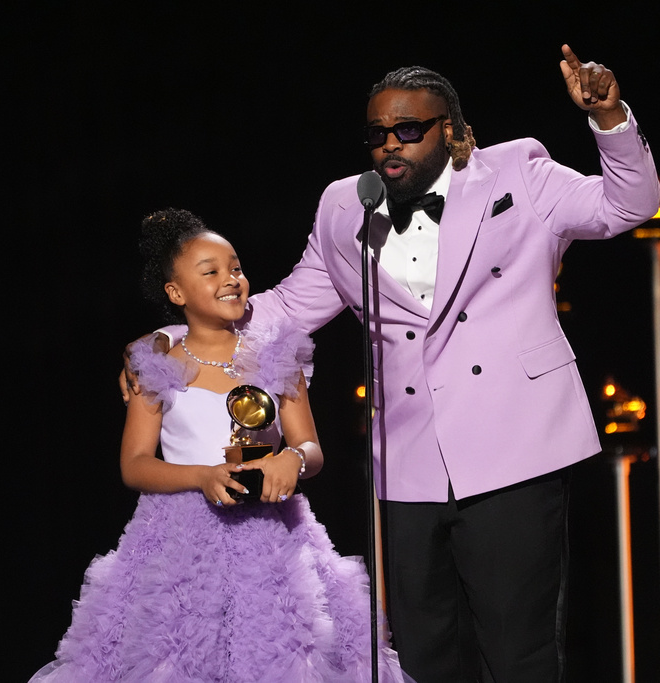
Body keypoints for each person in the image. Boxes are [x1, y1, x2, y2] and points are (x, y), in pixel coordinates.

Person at [125, 45, 659, 682]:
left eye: (408, 129)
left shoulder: (519, 172)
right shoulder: (345, 206)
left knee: (517, 653)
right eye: (377, 134)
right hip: (408, 461)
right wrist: (168, 340)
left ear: (450, 130)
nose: (389, 145)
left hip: (513, 447)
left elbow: (627, 206)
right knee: (421, 657)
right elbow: (288, 306)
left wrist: (610, 120)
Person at [36, 209, 409, 682]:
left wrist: (292, 459)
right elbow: (135, 464)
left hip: (271, 539)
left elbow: (310, 448)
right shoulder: (158, 366)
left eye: (235, 267)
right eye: (210, 272)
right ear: (176, 293)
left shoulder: (277, 355)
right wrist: (202, 476)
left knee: (283, 657)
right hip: (178, 544)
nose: (231, 279)